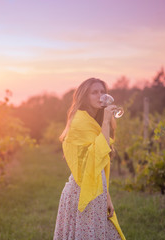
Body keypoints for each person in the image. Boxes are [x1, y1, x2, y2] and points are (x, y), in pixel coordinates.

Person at [53, 78, 126, 240]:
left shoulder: (94, 121)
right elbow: (97, 154)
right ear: (85, 97)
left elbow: (99, 163)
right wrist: (106, 120)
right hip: (83, 190)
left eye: (102, 92)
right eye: (94, 92)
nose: (100, 96)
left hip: (97, 188)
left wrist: (107, 198)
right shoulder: (79, 121)